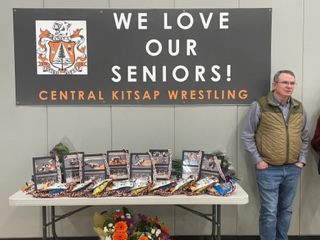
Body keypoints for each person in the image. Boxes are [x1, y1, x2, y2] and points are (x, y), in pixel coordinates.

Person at [241, 70, 309, 240]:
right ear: (274, 84)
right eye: (285, 82)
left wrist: (301, 160)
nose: (289, 86)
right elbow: (247, 135)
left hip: (292, 169)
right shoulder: (260, 105)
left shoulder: (298, 107)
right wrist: (258, 161)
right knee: (269, 212)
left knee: (286, 210)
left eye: (292, 83)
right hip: (268, 169)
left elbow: (305, 136)